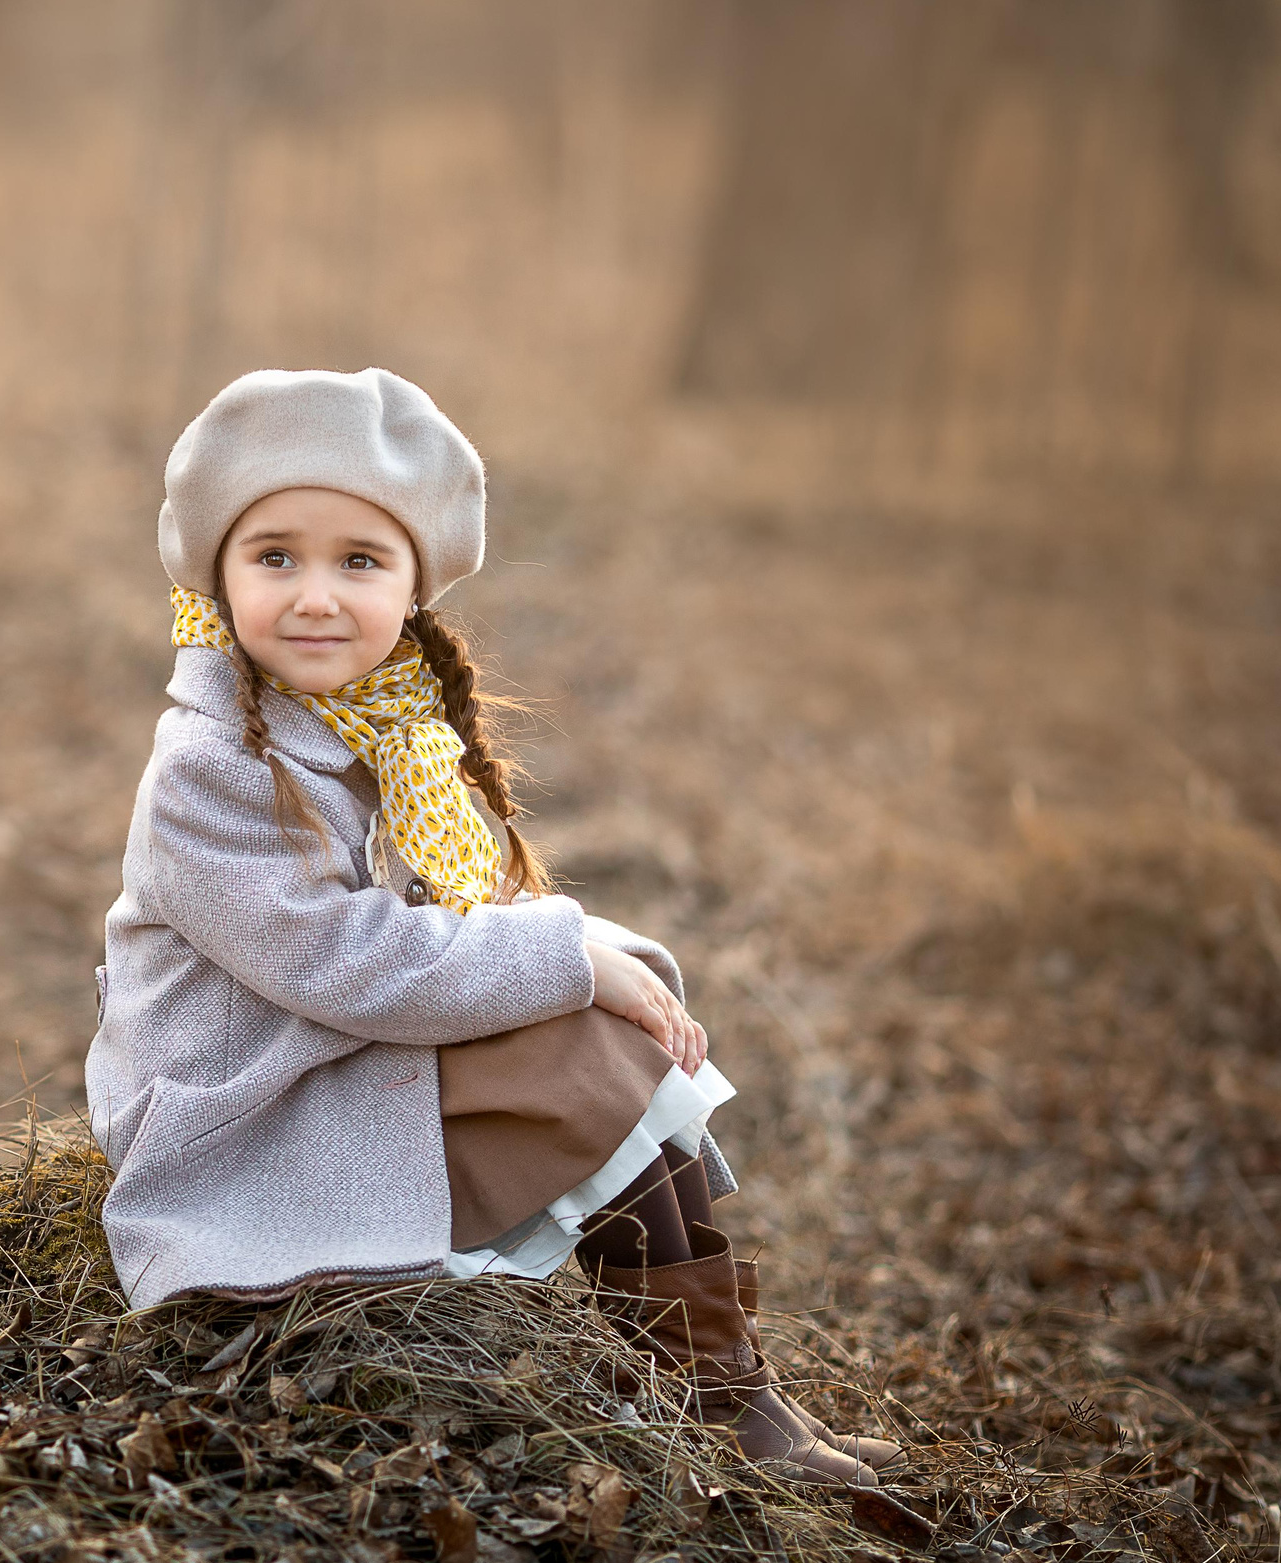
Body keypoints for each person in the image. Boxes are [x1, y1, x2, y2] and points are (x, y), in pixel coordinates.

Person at [85, 368, 898, 1486]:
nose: (315, 595)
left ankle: (728, 1392)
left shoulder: (389, 729)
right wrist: (573, 964)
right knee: (582, 1056)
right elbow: (346, 962)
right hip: (250, 1107)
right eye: (275, 556)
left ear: (413, 587)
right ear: (217, 574)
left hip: (334, 1052)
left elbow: (459, 916)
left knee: (614, 1044)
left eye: (358, 561)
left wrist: (593, 962)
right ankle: (722, 1412)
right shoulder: (208, 766)